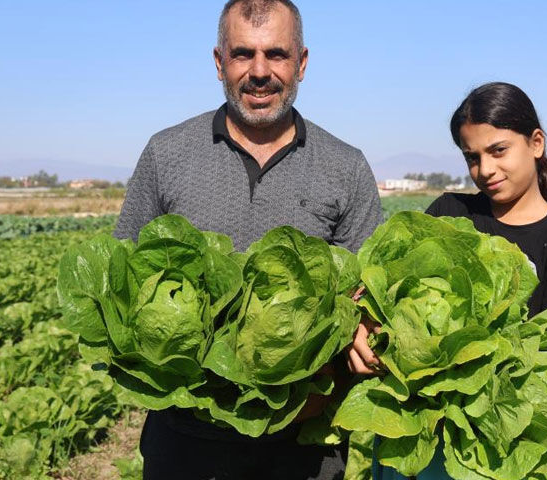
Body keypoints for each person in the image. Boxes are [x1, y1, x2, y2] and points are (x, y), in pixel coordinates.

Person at [113, 0, 383, 478]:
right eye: (243, 54)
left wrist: (362, 329)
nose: (260, 72)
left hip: (303, 444)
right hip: (185, 442)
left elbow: (370, 298)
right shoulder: (166, 154)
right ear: (219, 62)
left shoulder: (346, 167)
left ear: (301, 62)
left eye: (276, 54)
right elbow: (122, 281)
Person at [349, 82, 547, 479]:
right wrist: (363, 321)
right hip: (414, 429)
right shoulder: (449, 212)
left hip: (493, 446)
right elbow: (379, 286)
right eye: (472, 157)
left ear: (535, 143)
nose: (485, 169)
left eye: (498, 151)